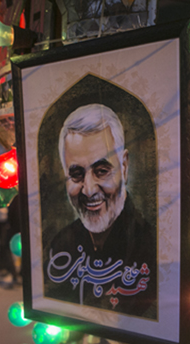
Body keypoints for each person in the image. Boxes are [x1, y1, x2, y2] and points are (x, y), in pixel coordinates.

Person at [44, 104, 157, 319]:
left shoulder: (152, 247)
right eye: (76, 174)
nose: (88, 189)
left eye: (102, 171)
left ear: (124, 166)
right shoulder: (60, 247)